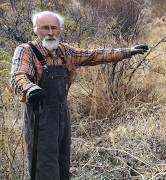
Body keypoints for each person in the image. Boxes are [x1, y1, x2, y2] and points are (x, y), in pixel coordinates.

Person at [10, 11, 148, 180]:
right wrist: (30, 89)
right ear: (36, 30)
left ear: (60, 30)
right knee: (44, 165)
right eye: (45, 28)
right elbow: (18, 76)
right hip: (40, 118)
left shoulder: (64, 51)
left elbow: (94, 55)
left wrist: (127, 52)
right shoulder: (26, 51)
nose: (51, 32)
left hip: (62, 115)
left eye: (54, 28)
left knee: (62, 161)